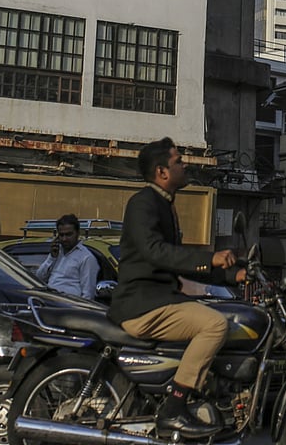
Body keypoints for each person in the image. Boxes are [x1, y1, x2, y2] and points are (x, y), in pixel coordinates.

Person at [109, 137, 245, 439]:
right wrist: (210, 257)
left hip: (158, 300)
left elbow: (178, 263)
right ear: (162, 172)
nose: (185, 165)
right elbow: (156, 252)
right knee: (214, 325)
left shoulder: (164, 205)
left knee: (218, 313)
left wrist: (232, 276)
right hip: (142, 304)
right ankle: (174, 407)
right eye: (179, 161)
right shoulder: (143, 204)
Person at [35, 214, 98, 299]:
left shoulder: (86, 257)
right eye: (61, 235)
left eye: (68, 234)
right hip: (49, 302)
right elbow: (39, 278)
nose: (64, 239)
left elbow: (88, 293)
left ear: (77, 233)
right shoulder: (56, 252)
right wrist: (51, 258)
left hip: (69, 306)